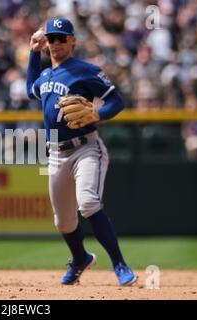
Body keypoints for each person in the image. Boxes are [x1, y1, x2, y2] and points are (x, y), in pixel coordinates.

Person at [26, 17, 137, 286]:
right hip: (56, 153)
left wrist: (97, 113)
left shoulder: (85, 70)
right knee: (63, 223)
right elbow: (31, 92)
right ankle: (80, 259)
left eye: (61, 38)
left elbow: (117, 101)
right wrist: (32, 53)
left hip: (86, 148)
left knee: (87, 203)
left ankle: (120, 265)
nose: (55, 44)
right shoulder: (45, 75)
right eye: (51, 39)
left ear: (72, 41)